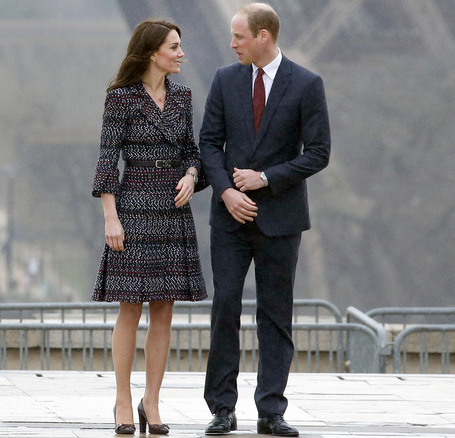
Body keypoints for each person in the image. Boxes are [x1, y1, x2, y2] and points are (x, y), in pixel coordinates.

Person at [199, 3, 331, 436]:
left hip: (281, 219)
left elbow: (318, 152)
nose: (232, 42)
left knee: (276, 315)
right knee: (225, 308)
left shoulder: (307, 84)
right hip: (230, 220)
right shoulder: (224, 79)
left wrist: (266, 178)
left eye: (239, 36)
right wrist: (228, 191)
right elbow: (209, 145)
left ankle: (271, 411)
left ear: (263, 36)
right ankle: (222, 407)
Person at [91, 19, 208, 435]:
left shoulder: (183, 96)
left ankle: (151, 402)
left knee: (164, 310)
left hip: (173, 207)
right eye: (174, 47)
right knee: (130, 308)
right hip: (134, 203)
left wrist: (192, 175)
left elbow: (193, 151)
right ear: (152, 52)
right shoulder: (120, 99)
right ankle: (123, 399)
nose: (181, 54)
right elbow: (107, 160)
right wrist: (111, 217)